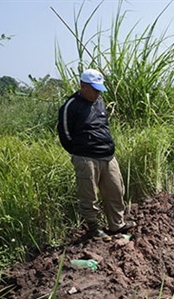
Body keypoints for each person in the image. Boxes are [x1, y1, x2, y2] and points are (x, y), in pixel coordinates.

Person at [57, 68, 135, 239]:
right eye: (94, 89)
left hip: (107, 156)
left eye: (99, 89)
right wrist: (79, 151)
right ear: (83, 85)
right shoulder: (71, 106)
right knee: (89, 195)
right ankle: (93, 229)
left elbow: (103, 126)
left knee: (115, 190)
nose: (97, 93)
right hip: (86, 158)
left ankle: (117, 224)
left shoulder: (99, 102)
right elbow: (65, 134)